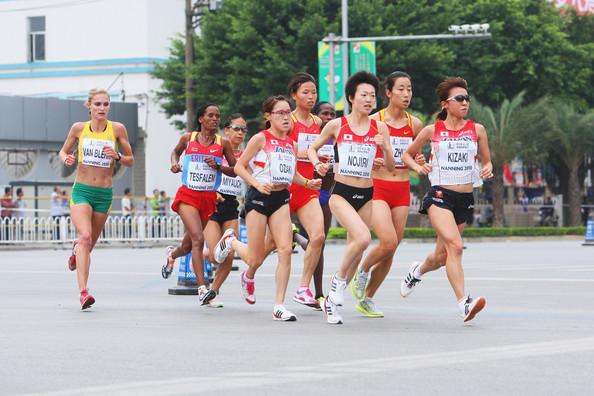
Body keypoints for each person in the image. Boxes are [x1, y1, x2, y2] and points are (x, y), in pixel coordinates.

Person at [400, 76, 493, 323]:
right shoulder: (432, 131)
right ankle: (464, 303)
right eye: (459, 99)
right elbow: (407, 154)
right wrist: (418, 169)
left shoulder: (477, 130)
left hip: (464, 198)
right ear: (445, 104)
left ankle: (417, 271)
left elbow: (487, 160)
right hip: (440, 195)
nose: (465, 103)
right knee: (456, 246)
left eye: (467, 99)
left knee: (441, 257)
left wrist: (488, 168)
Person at [308, 71, 395, 324]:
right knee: (364, 237)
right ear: (351, 98)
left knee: (356, 249)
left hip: (366, 194)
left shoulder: (380, 128)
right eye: (363, 95)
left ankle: (332, 306)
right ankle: (337, 281)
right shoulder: (337, 125)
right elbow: (313, 148)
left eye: (372, 96)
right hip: (341, 192)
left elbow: (390, 167)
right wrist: (317, 164)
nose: (369, 100)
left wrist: (386, 147)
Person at [226, 95, 321, 321]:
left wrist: (308, 183)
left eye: (288, 112)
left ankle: (279, 305)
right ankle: (230, 241)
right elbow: (239, 166)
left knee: (285, 250)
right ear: (268, 116)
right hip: (258, 198)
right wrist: (256, 183)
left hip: (280, 198)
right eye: (280, 113)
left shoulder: (292, 144)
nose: (286, 117)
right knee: (255, 257)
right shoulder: (260, 138)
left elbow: (292, 174)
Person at [350, 71, 423, 318]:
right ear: (389, 93)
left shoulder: (415, 125)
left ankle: (368, 298)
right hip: (378, 188)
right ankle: (363, 270)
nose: (406, 94)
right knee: (388, 240)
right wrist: (371, 162)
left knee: (392, 248)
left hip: (402, 189)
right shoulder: (374, 120)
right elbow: (358, 153)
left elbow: (414, 155)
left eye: (409, 89)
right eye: (401, 89)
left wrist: (419, 160)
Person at [60, 88, 134, 309]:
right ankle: (84, 293)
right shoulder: (79, 128)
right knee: (84, 236)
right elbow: (62, 151)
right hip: (81, 190)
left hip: (104, 194)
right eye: (98, 104)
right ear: (89, 106)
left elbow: (130, 159)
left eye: (106, 104)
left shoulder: (118, 129)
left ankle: (77, 253)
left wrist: (118, 156)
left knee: (89, 244)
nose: (102, 108)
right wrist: (67, 159)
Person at [164, 113, 247, 308]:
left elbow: (235, 170)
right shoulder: (188, 138)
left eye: (218, 116)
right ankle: (203, 289)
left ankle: (172, 255)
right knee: (198, 240)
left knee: (188, 247)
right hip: (188, 196)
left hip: (210, 199)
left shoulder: (223, 144)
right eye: (211, 115)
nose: (215, 118)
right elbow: (175, 152)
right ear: (201, 119)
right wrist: (174, 164)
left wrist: (218, 166)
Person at [284, 72, 329, 309]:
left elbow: (318, 150)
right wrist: (306, 153)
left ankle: (303, 288)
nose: (311, 97)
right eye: (305, 92)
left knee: (318, 236)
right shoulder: (287, 120)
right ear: (294, 95)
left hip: (308, 187)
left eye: (314, 92)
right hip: (285, 186)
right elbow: (278, 148)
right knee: (265, 248)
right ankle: (247, 269)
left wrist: (322, 160)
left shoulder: (318, 123)